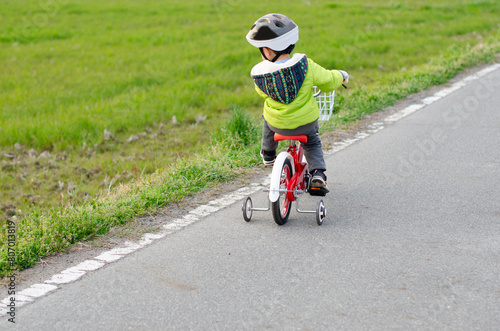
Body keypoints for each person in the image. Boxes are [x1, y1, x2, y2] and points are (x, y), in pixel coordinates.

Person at [246, 13, 348, 194]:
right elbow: (327, 81)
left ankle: (268, 153)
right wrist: (340, 76)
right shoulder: (306, 66)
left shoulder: (261, 75)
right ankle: (317, 174)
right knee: (312, 142)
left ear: (268, 51)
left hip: (277, 126)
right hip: (304, 125)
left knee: (267, 115)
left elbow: (262, 93)